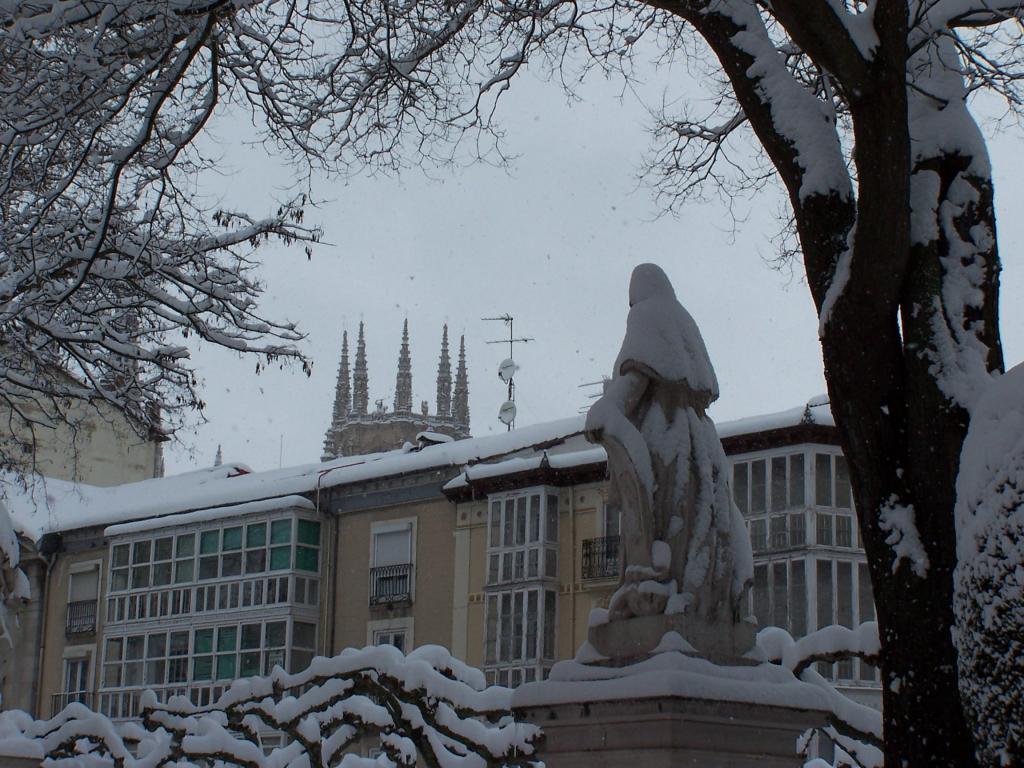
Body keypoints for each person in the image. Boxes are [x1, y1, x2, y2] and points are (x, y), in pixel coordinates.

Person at [585, 263, 752, 623]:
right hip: (702, 447)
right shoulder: (685, 322)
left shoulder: (647, 315)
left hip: (665, 441)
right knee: (697, 524)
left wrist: (606, 410)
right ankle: (698, 600)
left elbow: (634, 382)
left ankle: (658, 595)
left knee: (666, 518)